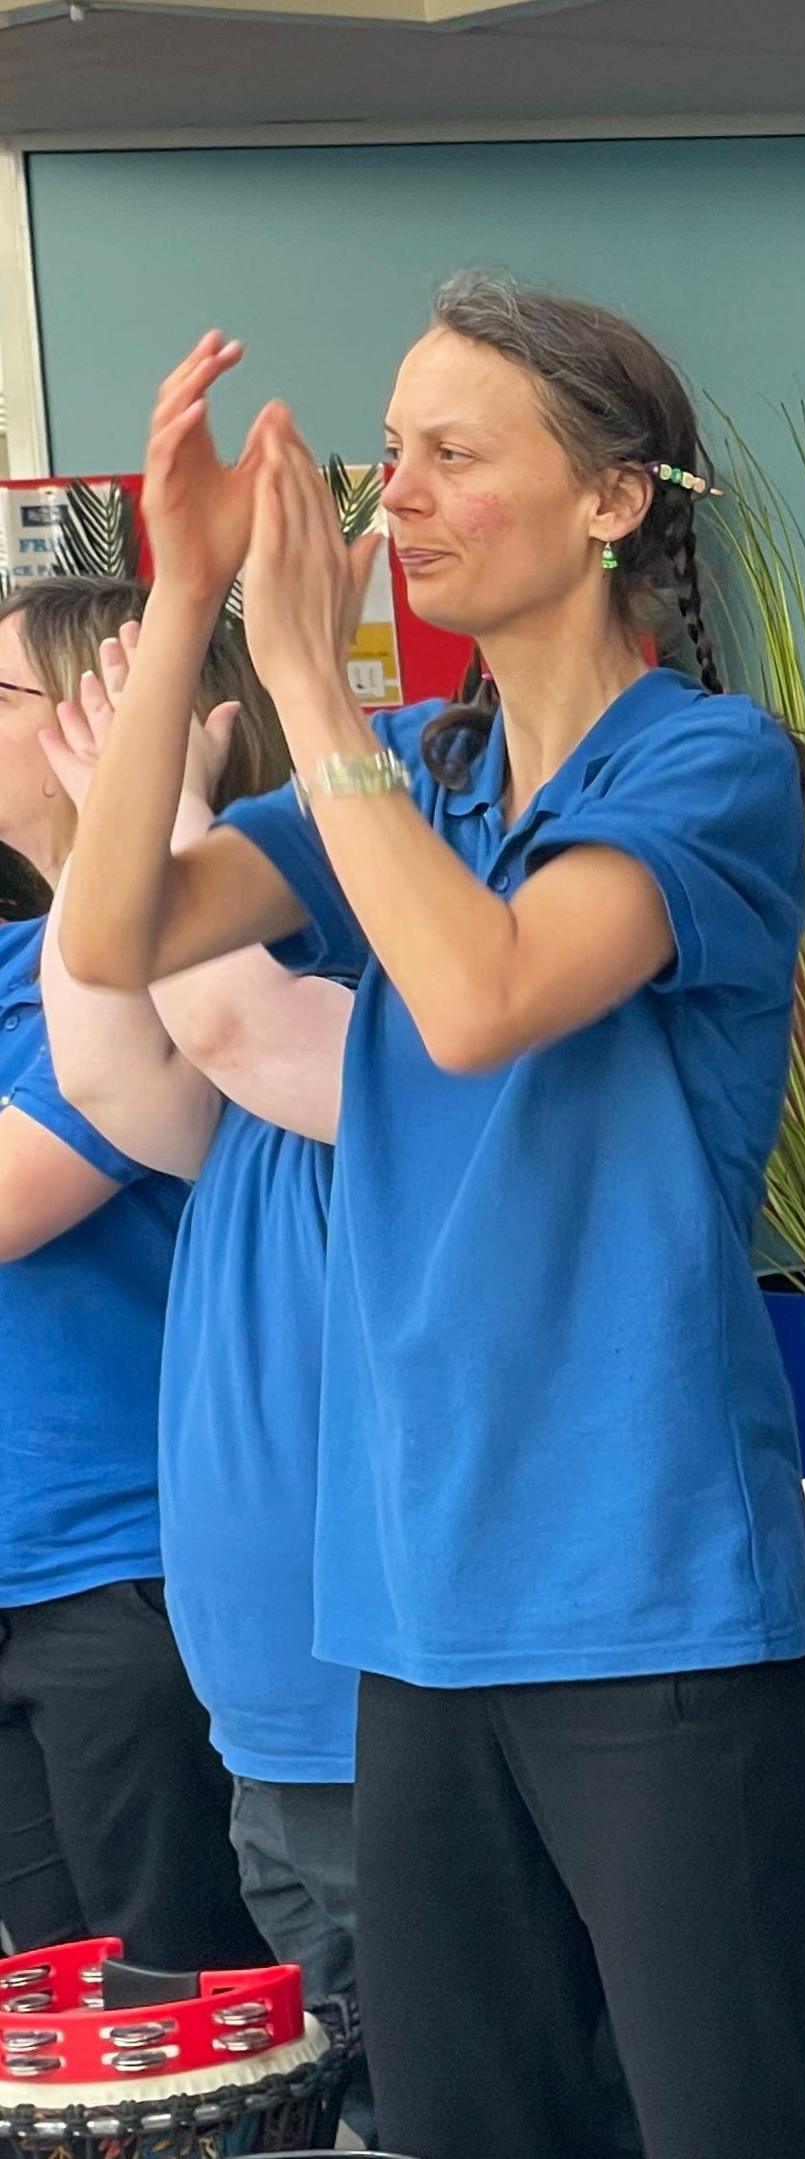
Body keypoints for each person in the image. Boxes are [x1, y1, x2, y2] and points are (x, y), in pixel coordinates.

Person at [60, 290, 805, 2158]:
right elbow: (109, 934)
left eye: (451, 453)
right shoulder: (421, 771)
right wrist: (180, 600)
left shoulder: (706, 769)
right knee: (472, 2122)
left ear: (614, 500)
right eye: (387, 452)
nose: (391, 494)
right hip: (417, 1609)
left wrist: (313, 691)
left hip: (646, 1600)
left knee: (707, 2126)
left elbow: (483, 993)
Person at [29, 593, 358, 2087]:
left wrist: (144, 828)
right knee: (85, 2053)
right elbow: (119, 1058)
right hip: (199, 1655)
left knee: (237, 2048)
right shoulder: (108, 1006)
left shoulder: (277, 999)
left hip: (184, 1605)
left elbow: (196, 1045)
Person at [0, 579, 258, 1977]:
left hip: (125, 1576)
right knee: (64, 2035)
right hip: (17, 1574)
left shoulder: (135, 971)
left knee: (185, 2011)